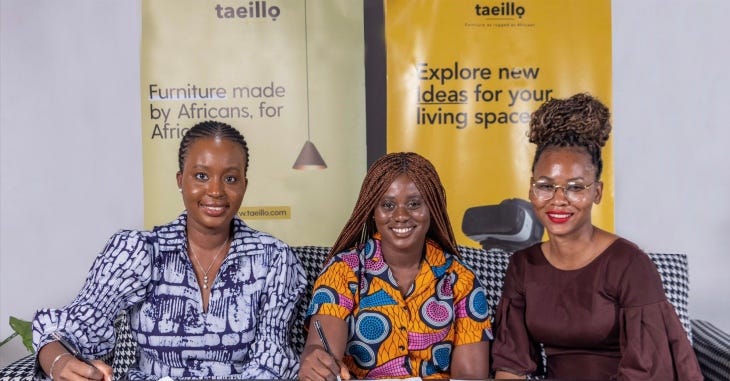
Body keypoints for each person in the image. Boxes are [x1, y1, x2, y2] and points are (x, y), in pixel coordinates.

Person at [32, 121, 307, 380]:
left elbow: (272, 358)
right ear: (180, 180)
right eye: (201, 175)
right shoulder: (140, 251)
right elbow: (77, 323)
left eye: (231, 179)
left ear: (244, 186)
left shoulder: (274, 259)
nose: (215, 191)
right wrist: (59, 363)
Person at [491, 93, 703, 380]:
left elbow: (648, 371)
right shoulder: (523, 266)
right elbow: (510, 365)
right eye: (545, 186)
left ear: (597, 192)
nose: (558, 200)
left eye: (575, 187)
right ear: (531, 190)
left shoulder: (629, 264)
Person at [298, 152, 492, 381]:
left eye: (414, 203)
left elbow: (470, 377)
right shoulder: (343, 270)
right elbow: (322, 352)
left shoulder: (460, 279)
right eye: (388, 205)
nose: (401, 215)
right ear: (373, 212)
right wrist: (315, 360)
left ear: (433, 208)